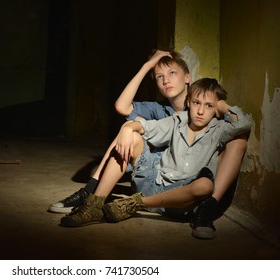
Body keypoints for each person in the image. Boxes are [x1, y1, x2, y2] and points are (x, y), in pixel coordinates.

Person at [50, 50, 249, 239]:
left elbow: (242, 124)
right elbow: (124, 109)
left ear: (188, 78)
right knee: (129, 128)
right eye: (159, 76)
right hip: (156, 174)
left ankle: (202, 207)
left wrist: (220, 104)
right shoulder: (164, 113)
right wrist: (129, 126)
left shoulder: (215, 122)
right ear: (191, 100)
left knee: (212, 173)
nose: (166, 80)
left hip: (187, 182)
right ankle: (92, 196)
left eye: (172, 73)